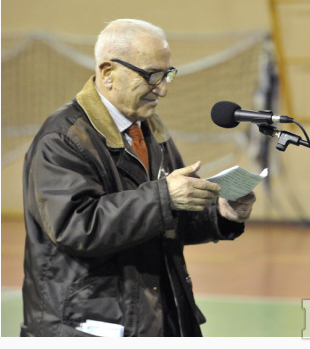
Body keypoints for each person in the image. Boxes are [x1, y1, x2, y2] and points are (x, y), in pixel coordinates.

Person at [21, 19, 256, 337]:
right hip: (87, 327)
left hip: (154, 319)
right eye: (152, 75)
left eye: (167, 73)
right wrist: (165, 196)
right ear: (107, 73)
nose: (163, 88)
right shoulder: (63, 138)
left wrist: (221, 214)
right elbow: (76, 226)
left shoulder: (151, 130)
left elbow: (168, 219)